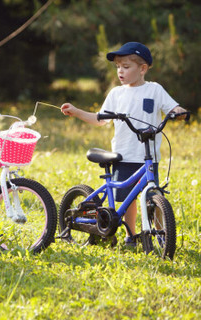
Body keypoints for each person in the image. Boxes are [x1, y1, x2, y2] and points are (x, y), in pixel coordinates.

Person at [61, 42, 187, 246]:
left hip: (147, 156)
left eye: (126, 67)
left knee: (152, 197)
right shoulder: (116, 94)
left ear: (143, 69)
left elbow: (172, 107)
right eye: (118, 66)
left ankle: (163, 236)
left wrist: (178, 112)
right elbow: (100, 119)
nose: (120, 71)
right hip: (124, 154)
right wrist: (76, 111)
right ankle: (131, 237)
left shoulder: (154, 90)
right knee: (130, 200)